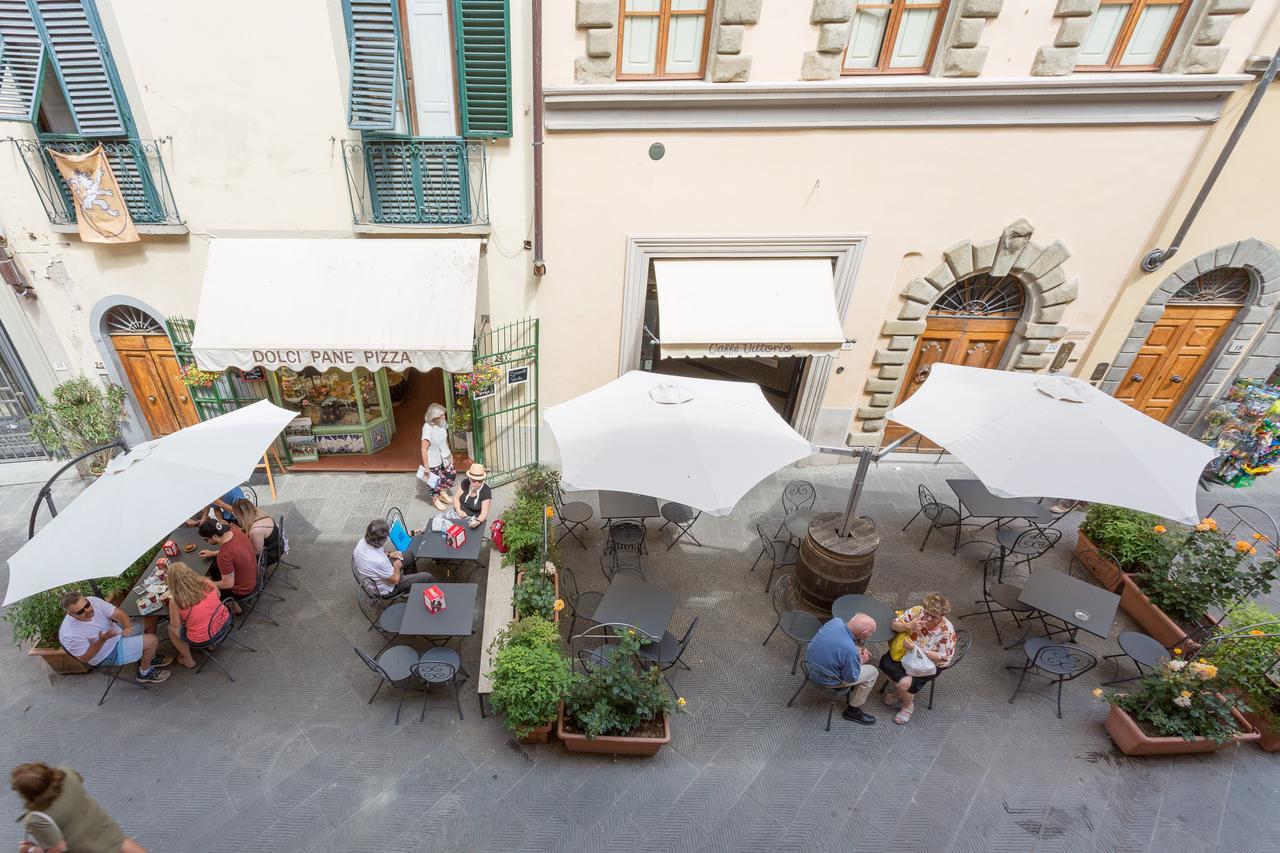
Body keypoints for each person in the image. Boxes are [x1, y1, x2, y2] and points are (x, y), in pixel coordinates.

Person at [12, 762, 146, 853]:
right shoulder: (66, 773)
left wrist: (31, 850)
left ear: (28, 794)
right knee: (121, 843)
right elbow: (79, 780)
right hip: (100, 824)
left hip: (84, 847)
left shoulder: (36, 818)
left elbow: (58, 848)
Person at [57, 592, 171, 685]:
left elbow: (118, 614)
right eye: (81, 611)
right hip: (106, 654)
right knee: (152, 640)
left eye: (87, 605)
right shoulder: (70, 634)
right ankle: (145, 672)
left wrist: (127, 627)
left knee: (151, 618)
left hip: (115, 633)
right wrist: (102, 640)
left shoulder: (93, 600)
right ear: (70, 615)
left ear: (86, 600)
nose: (88, 610)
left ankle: (148, 657)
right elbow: (85, 658)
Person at [880, 593, 957, 725]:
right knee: (885, 664)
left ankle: (908, 705)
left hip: (926, 664)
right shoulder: (917, 611)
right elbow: (894, 625)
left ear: (942, 616)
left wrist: (923, 652)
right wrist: (909, 626)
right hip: (904, 653)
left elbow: (944, 659)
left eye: (934, 616)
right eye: (927, 613)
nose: (928, 617)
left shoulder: (947, 632)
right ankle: (900, 694)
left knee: (903, 684)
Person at [804, 613, 879, 725]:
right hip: (826, 679)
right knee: (872, 672)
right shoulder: (850, 651)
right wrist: (860, 661)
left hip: (808, 665)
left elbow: (843, 645)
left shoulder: (836, 621)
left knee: (854, 651)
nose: (871, 635)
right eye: (871, 633)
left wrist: (855, 654)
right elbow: (851, 677)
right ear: (864, 634)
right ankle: (853, 711)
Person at [165, 561, 230, 669]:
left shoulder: (176, 600)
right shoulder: (206, 581)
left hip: (203, 637)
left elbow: (175, 625)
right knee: (205, 615)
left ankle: (188, 660)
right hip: (225, 621)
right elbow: (218, 595)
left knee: (171, 629)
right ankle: (211, 645)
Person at [353, 519, 436, 599]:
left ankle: (412, 589)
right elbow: (395, 580)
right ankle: (438, 595)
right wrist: (397, 567)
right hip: (386, 589)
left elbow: (379, 552)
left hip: (373, 573)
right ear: (380, 541)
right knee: (427, 576)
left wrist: (389, 554)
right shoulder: (379, 561)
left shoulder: (363, 541)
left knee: (409, 554)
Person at [198, 516, 257, 613]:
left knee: (206, 591)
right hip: (254, 574)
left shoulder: (224, 555)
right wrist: (213, 553)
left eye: (206, 540)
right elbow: (234, 551)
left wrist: (206, 583)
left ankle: (235, 608)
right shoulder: (235, 531)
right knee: (214, 568)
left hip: (244, 589)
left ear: (215, 537)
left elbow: (228, 584)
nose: (206, 542)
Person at [420, 403, 456, 497]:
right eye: (441, 415)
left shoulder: (442, 422)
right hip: (433, 458)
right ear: (433, 417)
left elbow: (445, 439)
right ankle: (436, 497)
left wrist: (450, 453)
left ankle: (442, 491)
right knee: (434, 481)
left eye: (444, 414)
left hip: (445, 454)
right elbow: (424, 449)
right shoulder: (428, 428)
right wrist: (427, 467)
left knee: (450, 474)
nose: (444, 417)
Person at [452, 463, 492, 530]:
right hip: (459, 514)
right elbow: (456, 498)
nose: (476, 482)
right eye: (474, 480)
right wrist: (458, 510)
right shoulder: (465, 482)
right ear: (469, 478)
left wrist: (477, 522)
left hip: (473, 518)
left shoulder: (486, 491)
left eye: (479, 480)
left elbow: (484, 513)